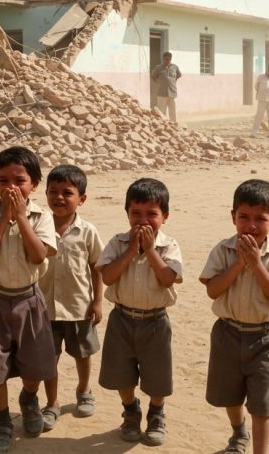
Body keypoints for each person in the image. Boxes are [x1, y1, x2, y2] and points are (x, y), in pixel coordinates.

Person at [0, 146, 58, 454]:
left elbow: (39, 254)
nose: (11, 187)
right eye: (3, 180)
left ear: (34, 185)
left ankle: (29, 399)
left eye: (20, 180)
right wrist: (4, 219)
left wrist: (21, 218)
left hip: (29, 301)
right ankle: (2, 422)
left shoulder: (42, 216)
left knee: (35, 366)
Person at [200, 179, 269, 454]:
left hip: (264, 338)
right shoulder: (223, 250)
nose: (251, 225)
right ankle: (238, 432)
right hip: (227, 333)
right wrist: (240, 263)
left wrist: (255, 264)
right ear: (233, 217)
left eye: (260, 219)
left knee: (261, 405)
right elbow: (213, 290)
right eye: (244, 217)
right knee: (230, 394)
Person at [97, 178, 183, 446]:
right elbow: (108, 277)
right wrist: (132, 250)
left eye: (152, 214)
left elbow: (168, 278)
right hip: (121, 318)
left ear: (165, 217)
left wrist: (149, 250)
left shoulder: (169, 246)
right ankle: (131, 410)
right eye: (136, 213)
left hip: (155, 321)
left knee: (157, 373)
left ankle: (156, 413)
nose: (143, 220)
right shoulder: (118, 243)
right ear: (127, 214)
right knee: (120, 371)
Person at [38, 165, 105, 431]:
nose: (59, 198)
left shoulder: (87, 231)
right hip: (44, 308)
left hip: (79, 306)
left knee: (82, 353)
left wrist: (97, 302)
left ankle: (84, 389)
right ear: (45, 194)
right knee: (48, 358)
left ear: (82, 199)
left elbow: (97, 266)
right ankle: (52, 402)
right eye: (53, 191)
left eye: (67, 192)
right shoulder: (39, 226)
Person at [150, 52, 182, 123]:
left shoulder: (175, 67)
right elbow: (153, 76)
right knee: (161, 111)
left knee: (172, 111)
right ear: (163, 59)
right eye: (166, 59)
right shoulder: (158, 68)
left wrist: (173, 81)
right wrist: (158, 82)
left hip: (172, 92)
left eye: (169, 59)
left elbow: (179, 75)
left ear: (171, 59)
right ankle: (162, 124)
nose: (167, 61)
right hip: (162, 93)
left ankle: (173, 125)